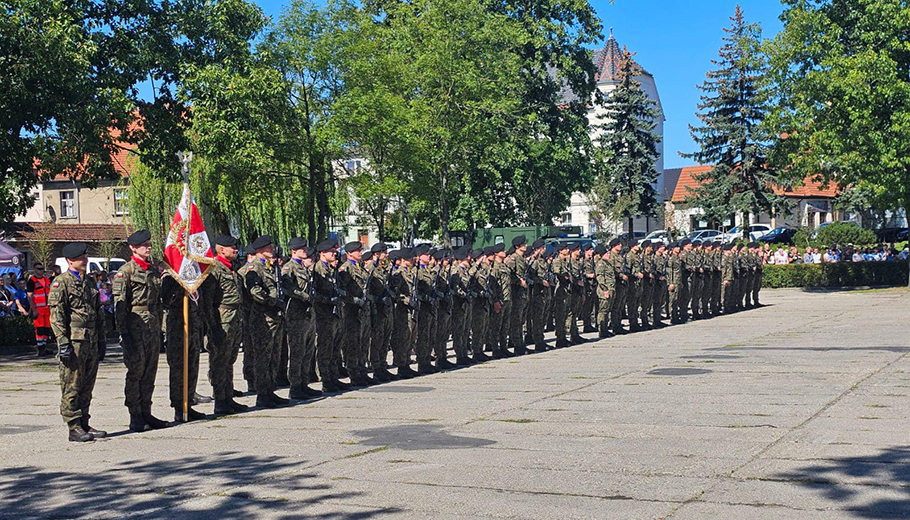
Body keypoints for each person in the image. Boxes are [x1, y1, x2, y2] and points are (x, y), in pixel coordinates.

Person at [48, 242, 106, 442]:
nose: (85, 260)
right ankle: (73, 426)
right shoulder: (61, 282)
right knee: (72, 384)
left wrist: (102, 340)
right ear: (69, 261)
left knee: (87, 385)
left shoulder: (89, 281)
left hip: (91, 340)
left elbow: (98, 312)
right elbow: (56, 316)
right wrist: (62, 343)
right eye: (81, 258)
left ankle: (84, 422)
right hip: (74, 341)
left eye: (86, 256)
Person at [113, 230, 169, 432]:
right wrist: (124, 334)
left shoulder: (152, 271)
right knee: (136, 373)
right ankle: (135, 414)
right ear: (133, 248)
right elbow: (120, 306)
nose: (148, 247)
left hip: (152, 328)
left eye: (149, 244)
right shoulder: (126, 272)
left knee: (150, 372)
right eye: (144, 245)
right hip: (135, 330)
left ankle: (147, 411)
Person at [208, 235, 251, 413]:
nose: (235, 249)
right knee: (219, 361)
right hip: (222, 319)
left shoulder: (232, 269)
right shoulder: (214, 269)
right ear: (221, 250)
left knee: (229, 360)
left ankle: (228, 397)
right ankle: (220, 401)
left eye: (235, 246)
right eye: (231, 247)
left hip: (235, 318)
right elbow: (209, 301)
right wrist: (213, 326)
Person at [244, 235, 289, 407]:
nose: (272, 249)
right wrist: (273, 301)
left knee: (274, 357)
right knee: (263, 358)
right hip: (263, 318)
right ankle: (262, 394)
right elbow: (255, 292)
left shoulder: (271, 267)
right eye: (269, 247)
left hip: (275, 317)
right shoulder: (254, 267)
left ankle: (270, 391)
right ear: (260, 250)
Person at [281, 237, 321, 399]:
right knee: (297, 352)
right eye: (301, 248)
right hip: (296, 315)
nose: (305, 250)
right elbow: (287, 288)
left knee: (307, 351)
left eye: (305, 247)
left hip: (308, 315)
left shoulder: (304, 268)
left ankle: (304, 383)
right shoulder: (289, 268)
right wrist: (303, 296)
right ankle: (295, 387)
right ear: (293, 251)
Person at [26, 263, 53, 356]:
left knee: (47, 329)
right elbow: (30, 296)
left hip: (47, 308)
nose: (41, 271)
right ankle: (40, 348)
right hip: (38, 309)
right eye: (39, 269)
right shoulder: (31, 281)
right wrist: (34, 310)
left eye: (42, 269)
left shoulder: (47, 280)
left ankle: (44, 347)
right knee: (40, 329)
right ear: (34, 269)